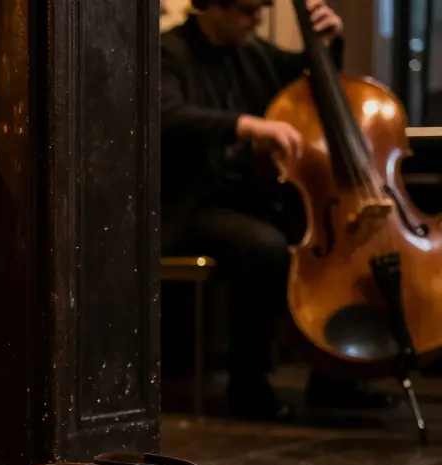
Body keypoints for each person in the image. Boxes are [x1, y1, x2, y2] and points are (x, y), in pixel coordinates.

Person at [161, 0, 396, 421]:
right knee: (266, 247)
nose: (256, 20)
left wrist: (327, 43)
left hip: (250, 200)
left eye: (261, 10)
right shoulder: (170, 52)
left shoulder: (252, 52)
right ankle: (247, 387)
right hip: (191, 206)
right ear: (211, 7)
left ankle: (333, 376)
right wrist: (245, 125)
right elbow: (168, 116)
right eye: (247, 10)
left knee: (326, 240)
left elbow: (307, 78)